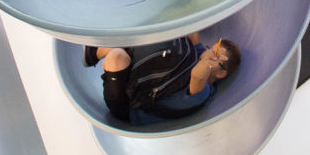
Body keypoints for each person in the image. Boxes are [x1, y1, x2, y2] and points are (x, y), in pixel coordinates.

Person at [84, 33, 241, 124]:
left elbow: (198, 76)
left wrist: (208, 63)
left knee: (116, 56)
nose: (208, 54)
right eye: (210, 49)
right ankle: (91, 54)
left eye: (215, 57)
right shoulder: (199, 55)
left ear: (221, 74)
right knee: (144, 35)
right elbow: (193, 34)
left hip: (128, 106)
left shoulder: (204, 91)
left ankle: (95, 54)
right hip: (136, 77)